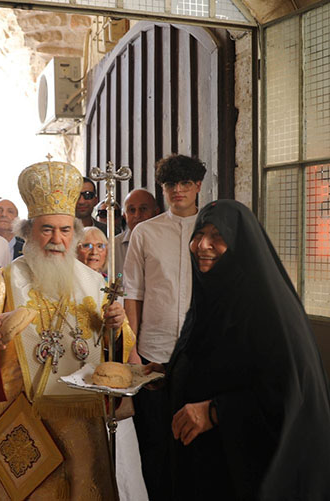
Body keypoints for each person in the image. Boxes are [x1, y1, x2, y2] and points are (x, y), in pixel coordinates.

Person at [0, 160, 135, 499]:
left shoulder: (95, 283)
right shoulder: (3, 280)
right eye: (46, 229)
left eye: (64, 230)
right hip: (17, 414)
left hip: (79, 416)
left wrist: (116, 328)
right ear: (29, 231)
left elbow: (115, 351)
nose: (56, 239)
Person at [159, 199, 330, 499]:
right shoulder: (212, 294)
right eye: (198, 234)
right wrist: (168, 372)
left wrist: (215, 411)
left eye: (217, 236)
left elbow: (288, 392)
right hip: (207, 461)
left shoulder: (266, 309)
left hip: (248, 470)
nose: (202, 245)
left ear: (239, 245)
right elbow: (210, 357)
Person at [122, 154, 206, 500]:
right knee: (154, 444)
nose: (178, 191)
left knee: (198, 444)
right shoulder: (145, 232)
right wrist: (133, 350)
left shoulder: (211, 229)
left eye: (185, 183)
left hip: (201, 354)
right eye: (171, 185)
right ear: (163, 189)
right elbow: (133, 293)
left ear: (198, 185)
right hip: (153, 353)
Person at [75, 225, 149, 501]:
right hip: (78, 387)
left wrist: (119, 332)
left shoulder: (113, 287)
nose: (94, 252)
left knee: (123, 463)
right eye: (86, 245)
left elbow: (127, 336)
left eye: (100, 246)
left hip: (111, 388)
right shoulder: (67, 286)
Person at [114, 189, 160, 275]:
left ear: (156, 212)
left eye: (143, 209)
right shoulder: (112, 247)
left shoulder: (167, 241)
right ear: (124, 215)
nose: (137, 215)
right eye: (132, 210)